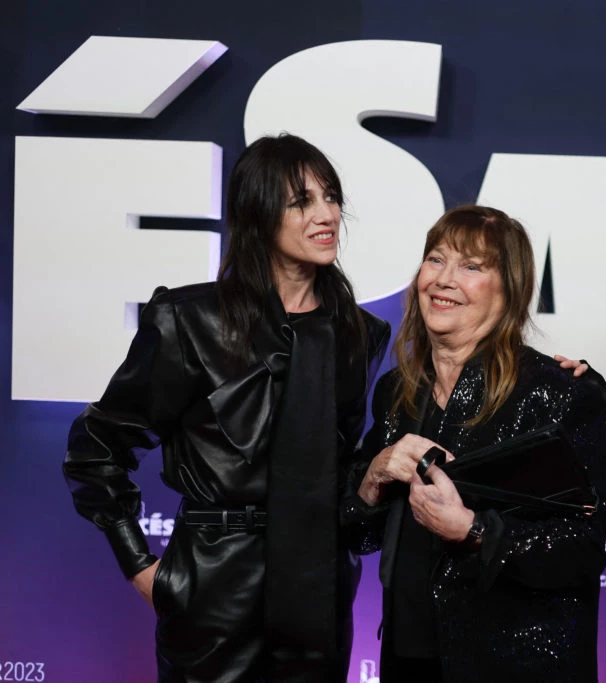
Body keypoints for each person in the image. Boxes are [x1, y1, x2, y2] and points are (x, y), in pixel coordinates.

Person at [63, 133, 390, 681]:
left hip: (319, 592)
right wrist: (143, 567)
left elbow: (342, 468)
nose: (326, 214)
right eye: (300, 201)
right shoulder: (189, 320)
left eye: (331, 196)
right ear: (258, 214)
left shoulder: (361, 334)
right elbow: (95, 449)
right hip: (212, 588)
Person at [343, 205, 606, 683]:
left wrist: (472, 530)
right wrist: (374, 475)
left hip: (514, 666)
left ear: (510, 289)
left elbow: (583, 550)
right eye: (436, 259)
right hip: (408, 659)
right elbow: (360, 535)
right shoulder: (397, 391)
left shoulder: (559, 392)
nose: (444, 279)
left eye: (471, 266)